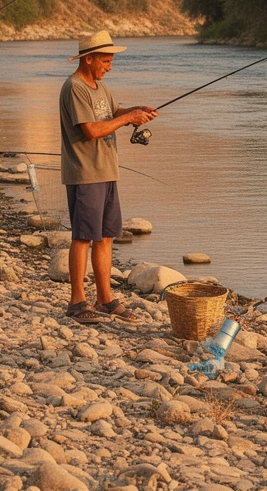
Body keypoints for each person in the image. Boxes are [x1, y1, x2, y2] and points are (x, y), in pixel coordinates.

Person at [58, 30, 157, 324]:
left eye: (111, 61)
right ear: (89, 59)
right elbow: (91, 130)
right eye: (106, 61)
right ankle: (77, 302)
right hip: (85, 172)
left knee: (105, 236)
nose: (110, 67)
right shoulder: (74, 87)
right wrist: (128, 119)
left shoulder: (100, 86)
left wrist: (136, 110)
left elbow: (114, 113)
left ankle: (105, 299)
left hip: (106, 170)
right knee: (83, 236)